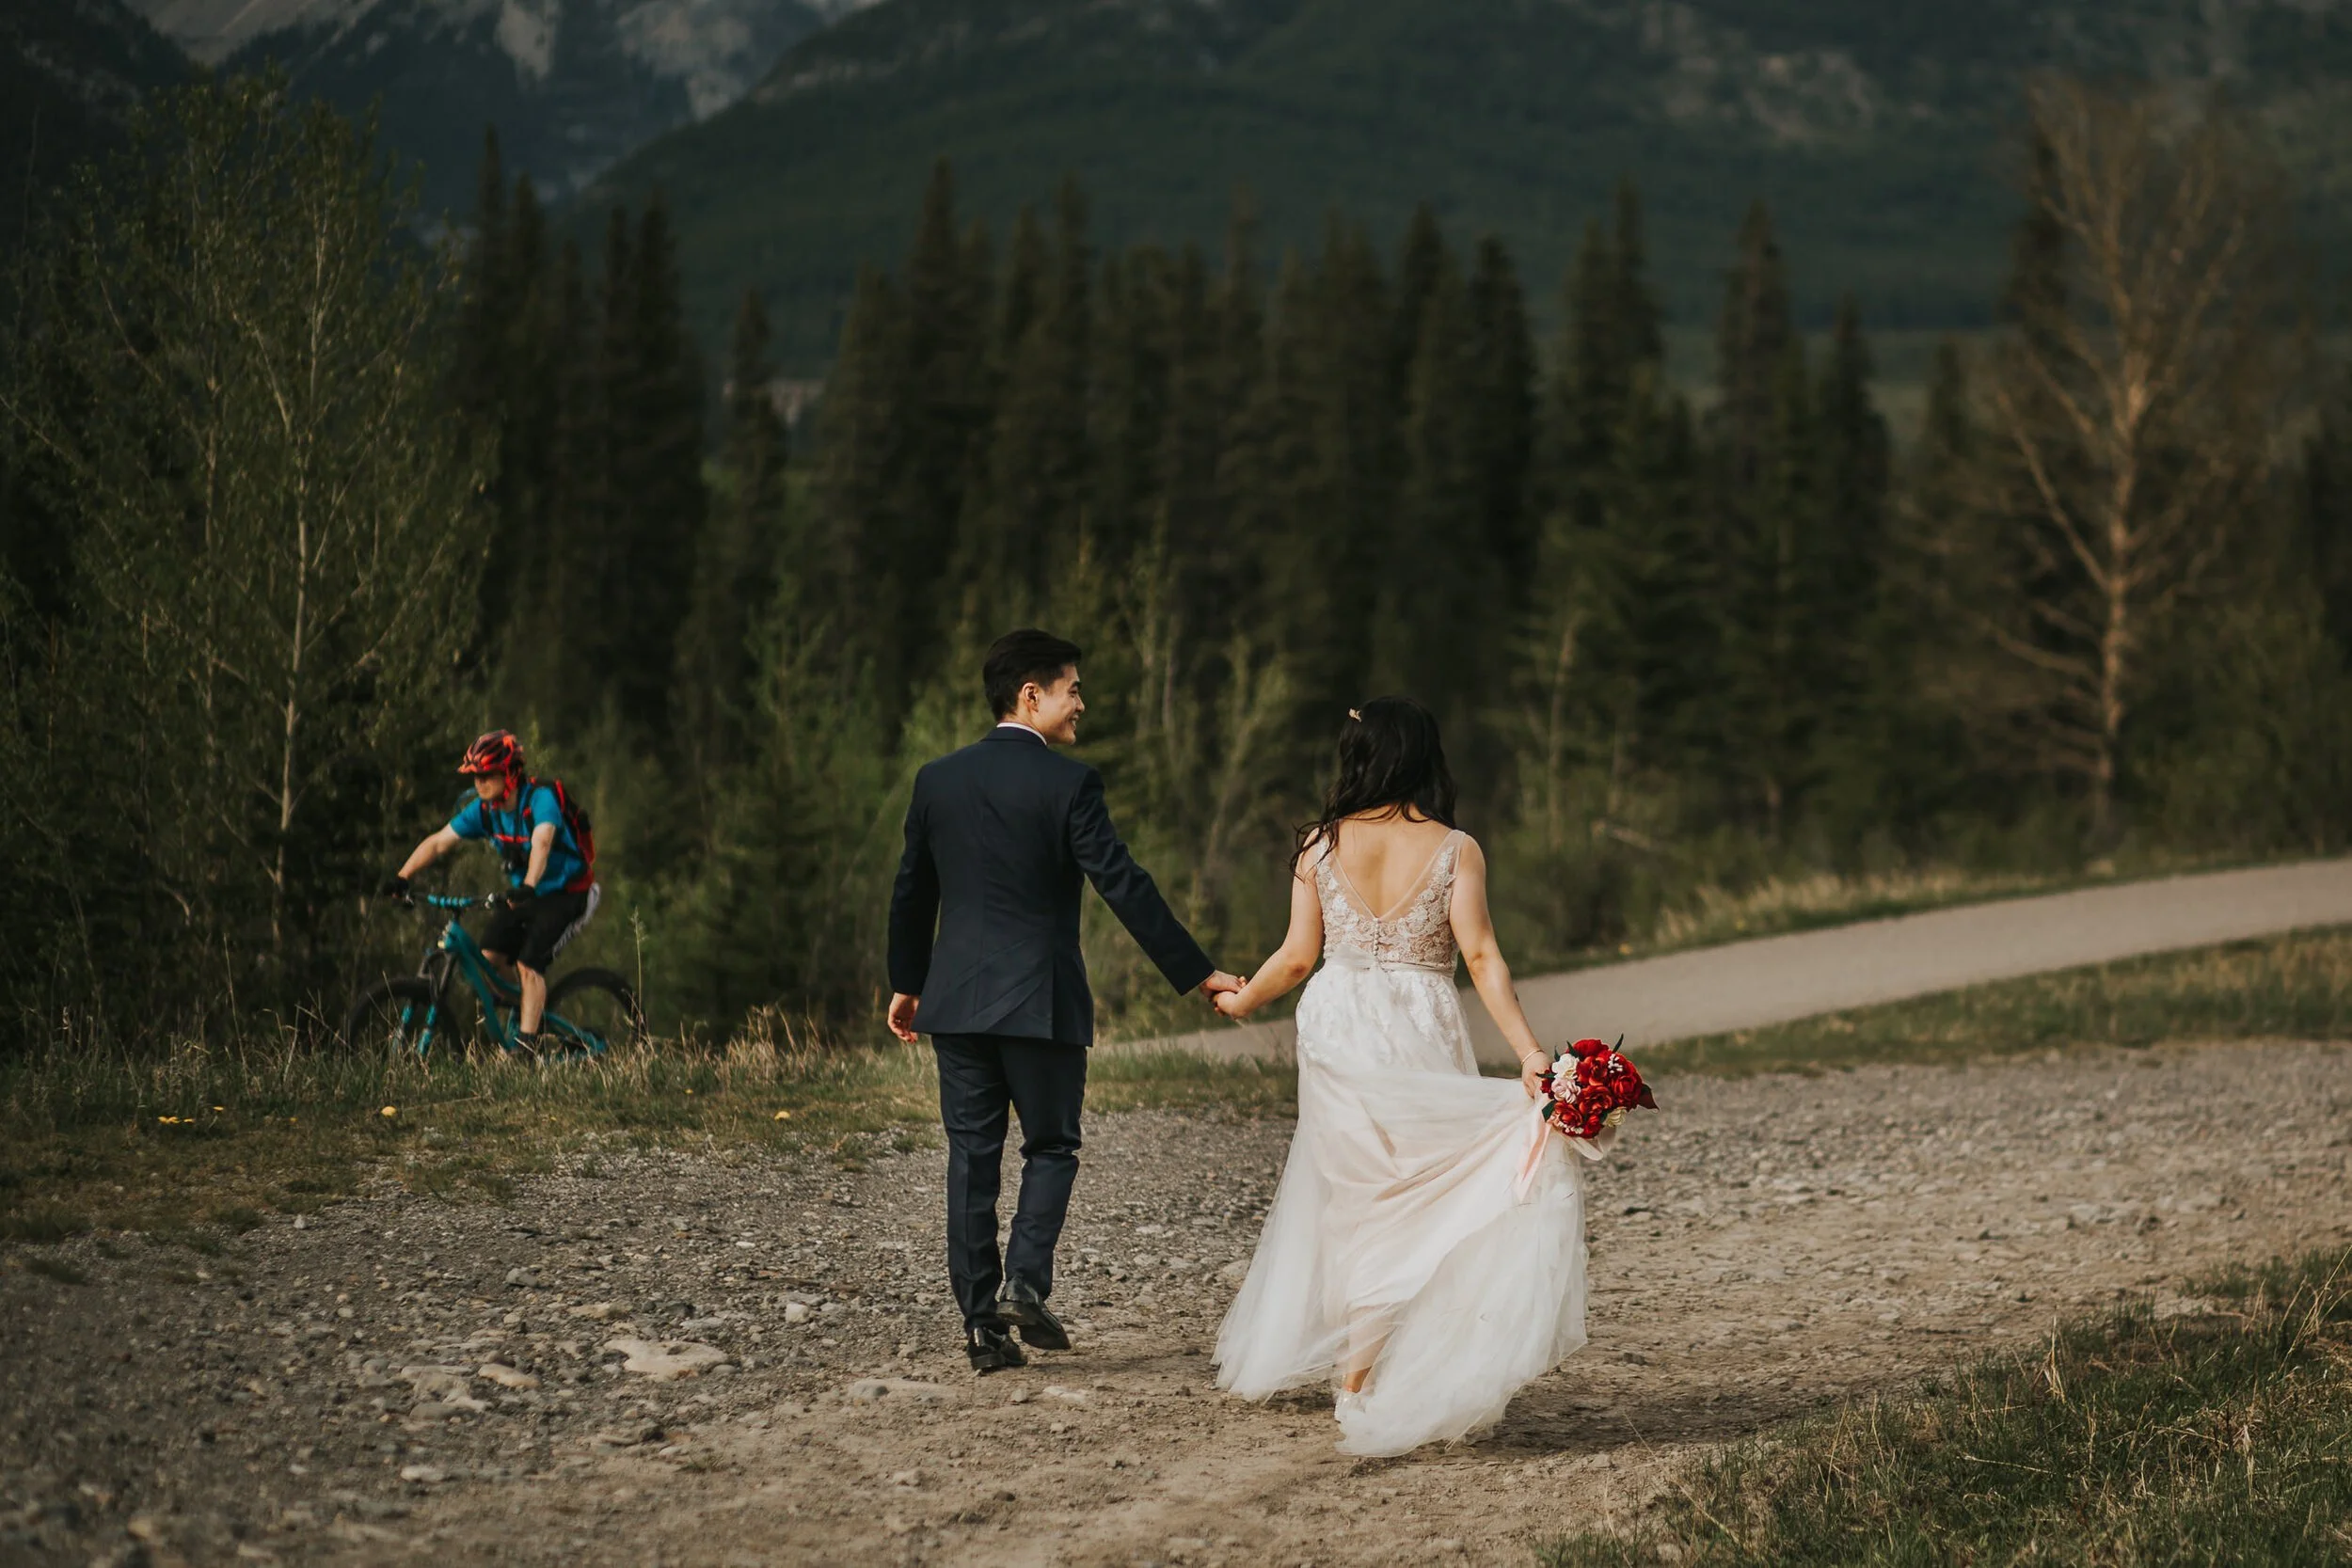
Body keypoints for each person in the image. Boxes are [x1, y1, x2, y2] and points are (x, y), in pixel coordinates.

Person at [1208, 697, 1613, 1456]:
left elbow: (1297, 957)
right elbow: (1484, 957)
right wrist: (1528, 1053)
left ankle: (1353, 1368)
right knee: (1413, 1190)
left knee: (1351, 1193)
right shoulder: (1457, 848)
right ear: (1423, 755)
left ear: (1360, 756)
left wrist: (1240, 997)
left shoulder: (1319, 845)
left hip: (1337, 1021)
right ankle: (1365, 1374)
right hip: (1419, 1018)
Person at [888, 628, 1245, 1373]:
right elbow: (1124, 884)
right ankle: (1024, 1279)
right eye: (1072, 688)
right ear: (1032, 695)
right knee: (1051, 1145)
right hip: (1039, 1003)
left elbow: (912, 888)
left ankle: (983, 1332)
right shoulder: (1069, 784)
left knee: (970, 1160)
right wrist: (1198, 971)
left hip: (953, 1004)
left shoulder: (937, 779)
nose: (1081, 702)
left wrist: (908, 980)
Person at [383, 731, 599, 1053]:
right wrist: (403, 875)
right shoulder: (485, 810)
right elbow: (440, 841)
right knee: (488, 959)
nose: (479, 783)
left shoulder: (540, 799)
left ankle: (526, 1051)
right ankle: (530, 1013)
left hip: (569, 893)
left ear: (510, 772)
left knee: (528, 965)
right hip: (528, 893)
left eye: (486, 775)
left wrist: (528, 884)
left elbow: (542, 842)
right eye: (476, 776)